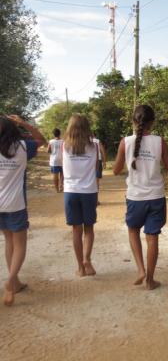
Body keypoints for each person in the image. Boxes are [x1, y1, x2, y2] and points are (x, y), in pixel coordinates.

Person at [113, 105, 168, 290]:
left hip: (135, 197)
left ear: (133, 121)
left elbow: (116, 170)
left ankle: (141, 270)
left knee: (133, 231)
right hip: (156, 196)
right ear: (152, 122)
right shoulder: (160, 141)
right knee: (152, 236)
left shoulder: (126, 142)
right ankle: (150, 279)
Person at [0, 114, 46, 306]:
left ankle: (16, 281)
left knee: (8, 240)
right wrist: (23, 123)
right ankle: (11, 281)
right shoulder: (23, 148)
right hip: (16, 204)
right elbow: (42, 140)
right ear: (14, 129)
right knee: (19, 244)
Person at [63, 114, 99, 277]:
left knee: (76, 230)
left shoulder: (65, 146)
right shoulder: (94, 146)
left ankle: (80, 267)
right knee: (89, 229)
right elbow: (96, 168)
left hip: (71, 192)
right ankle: (87, 260)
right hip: (89, 192)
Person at [48, 128, 64, 192]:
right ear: (60, 134)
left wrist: (52, 151)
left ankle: (57, 189)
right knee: (62, 174)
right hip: (62, 160)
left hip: (54, 160)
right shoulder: (63, 141)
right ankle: (61, 185)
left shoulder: (51, 141)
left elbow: (48, 151)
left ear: (53, 134)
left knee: (55, 175)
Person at [92, 133, 106, 204]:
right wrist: (104, 161)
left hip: (89, 161)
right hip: (98, 161)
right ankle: (96, 200)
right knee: (96, 181)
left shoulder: (86, 140)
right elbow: (102, 151)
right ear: (95, 135)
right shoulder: (97, 141)